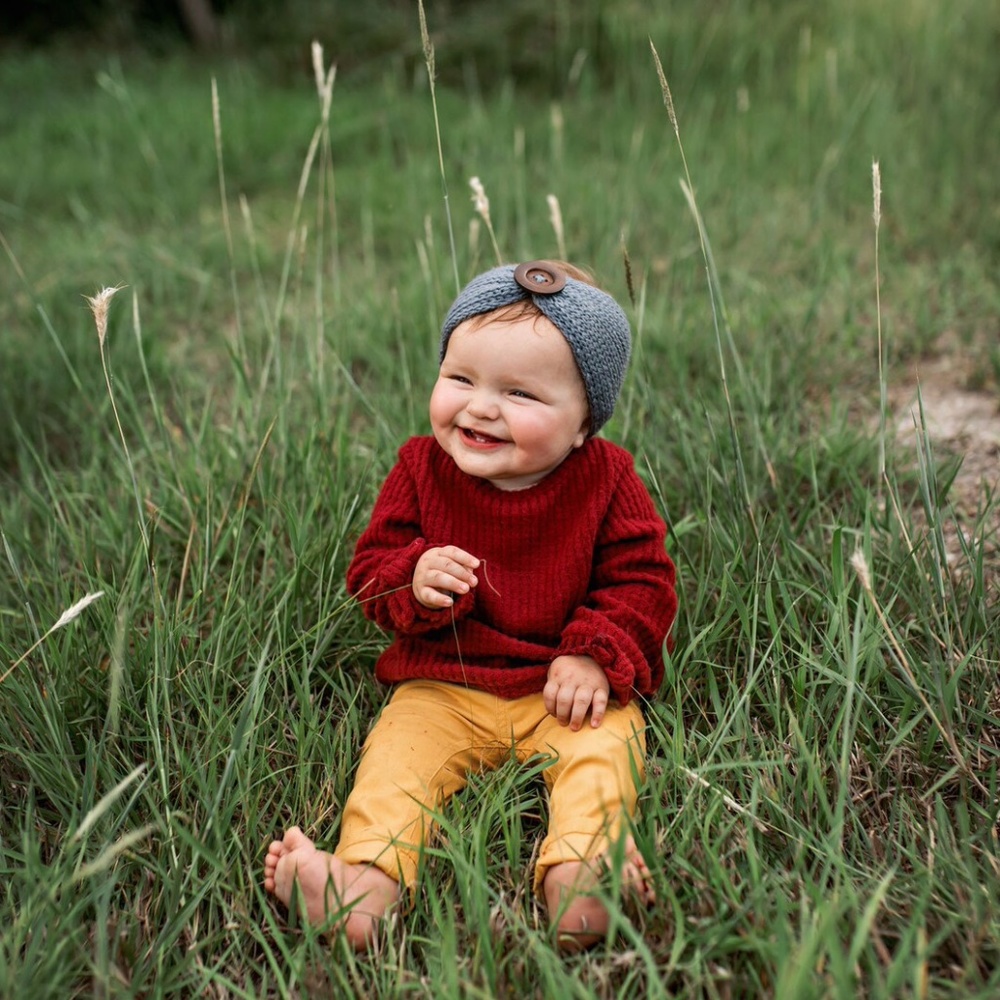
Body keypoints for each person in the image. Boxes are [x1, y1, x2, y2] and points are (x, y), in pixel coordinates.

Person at [264, 259, 678, 951]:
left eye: (519, 393)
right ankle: (364, 882)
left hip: (564, 689)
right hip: (444, 683)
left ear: (584, 424)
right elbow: (371, 570)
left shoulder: (608, 480)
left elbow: (644, 580)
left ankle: (582, 876)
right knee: (397, 761)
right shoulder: (420, 469)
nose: (480, 406)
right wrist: (413, 577)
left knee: (606, 751)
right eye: (460, 379)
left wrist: (594, 651)